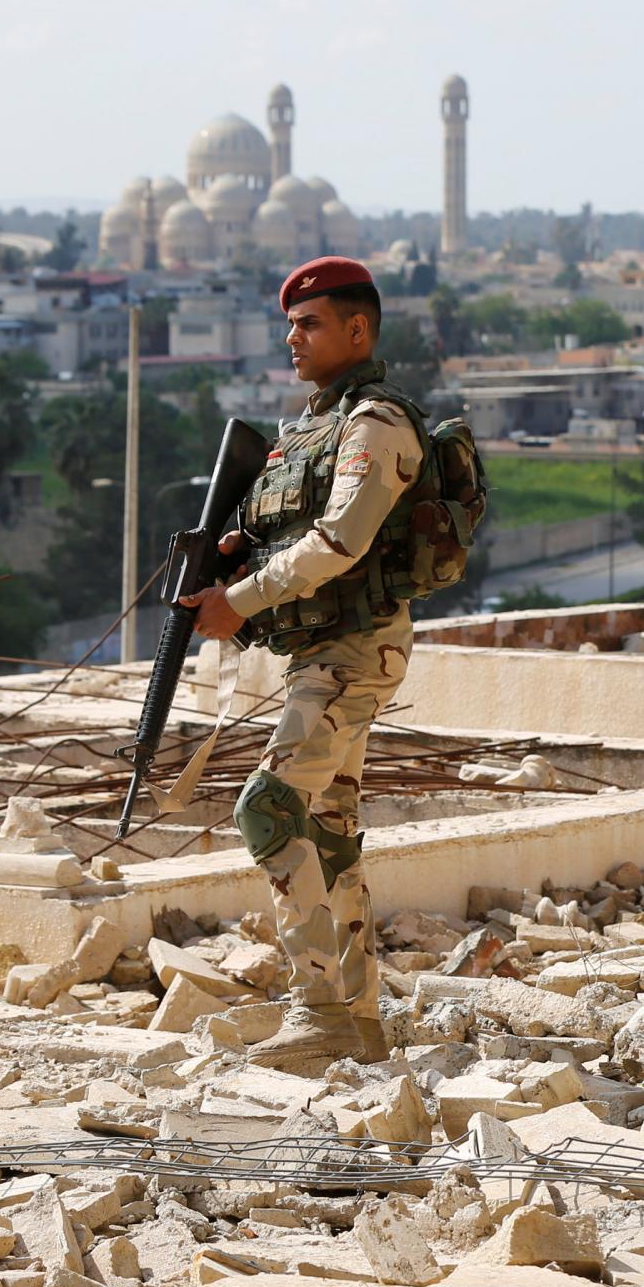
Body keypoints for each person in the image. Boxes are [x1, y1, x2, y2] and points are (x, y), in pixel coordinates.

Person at [178, 255, 427, 1073]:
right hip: (320, 653)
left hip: (354, 653)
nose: (293, 336)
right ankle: (359, 1022)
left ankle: (314, 1005)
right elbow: (289, 528)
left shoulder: (377, 424)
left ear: (358, 329)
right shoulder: (314, 427)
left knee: (269, 810)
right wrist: (235, 548)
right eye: (290, 323)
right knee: (328, 832)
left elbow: (340, 542)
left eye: (311, 322)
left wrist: (239, 601)